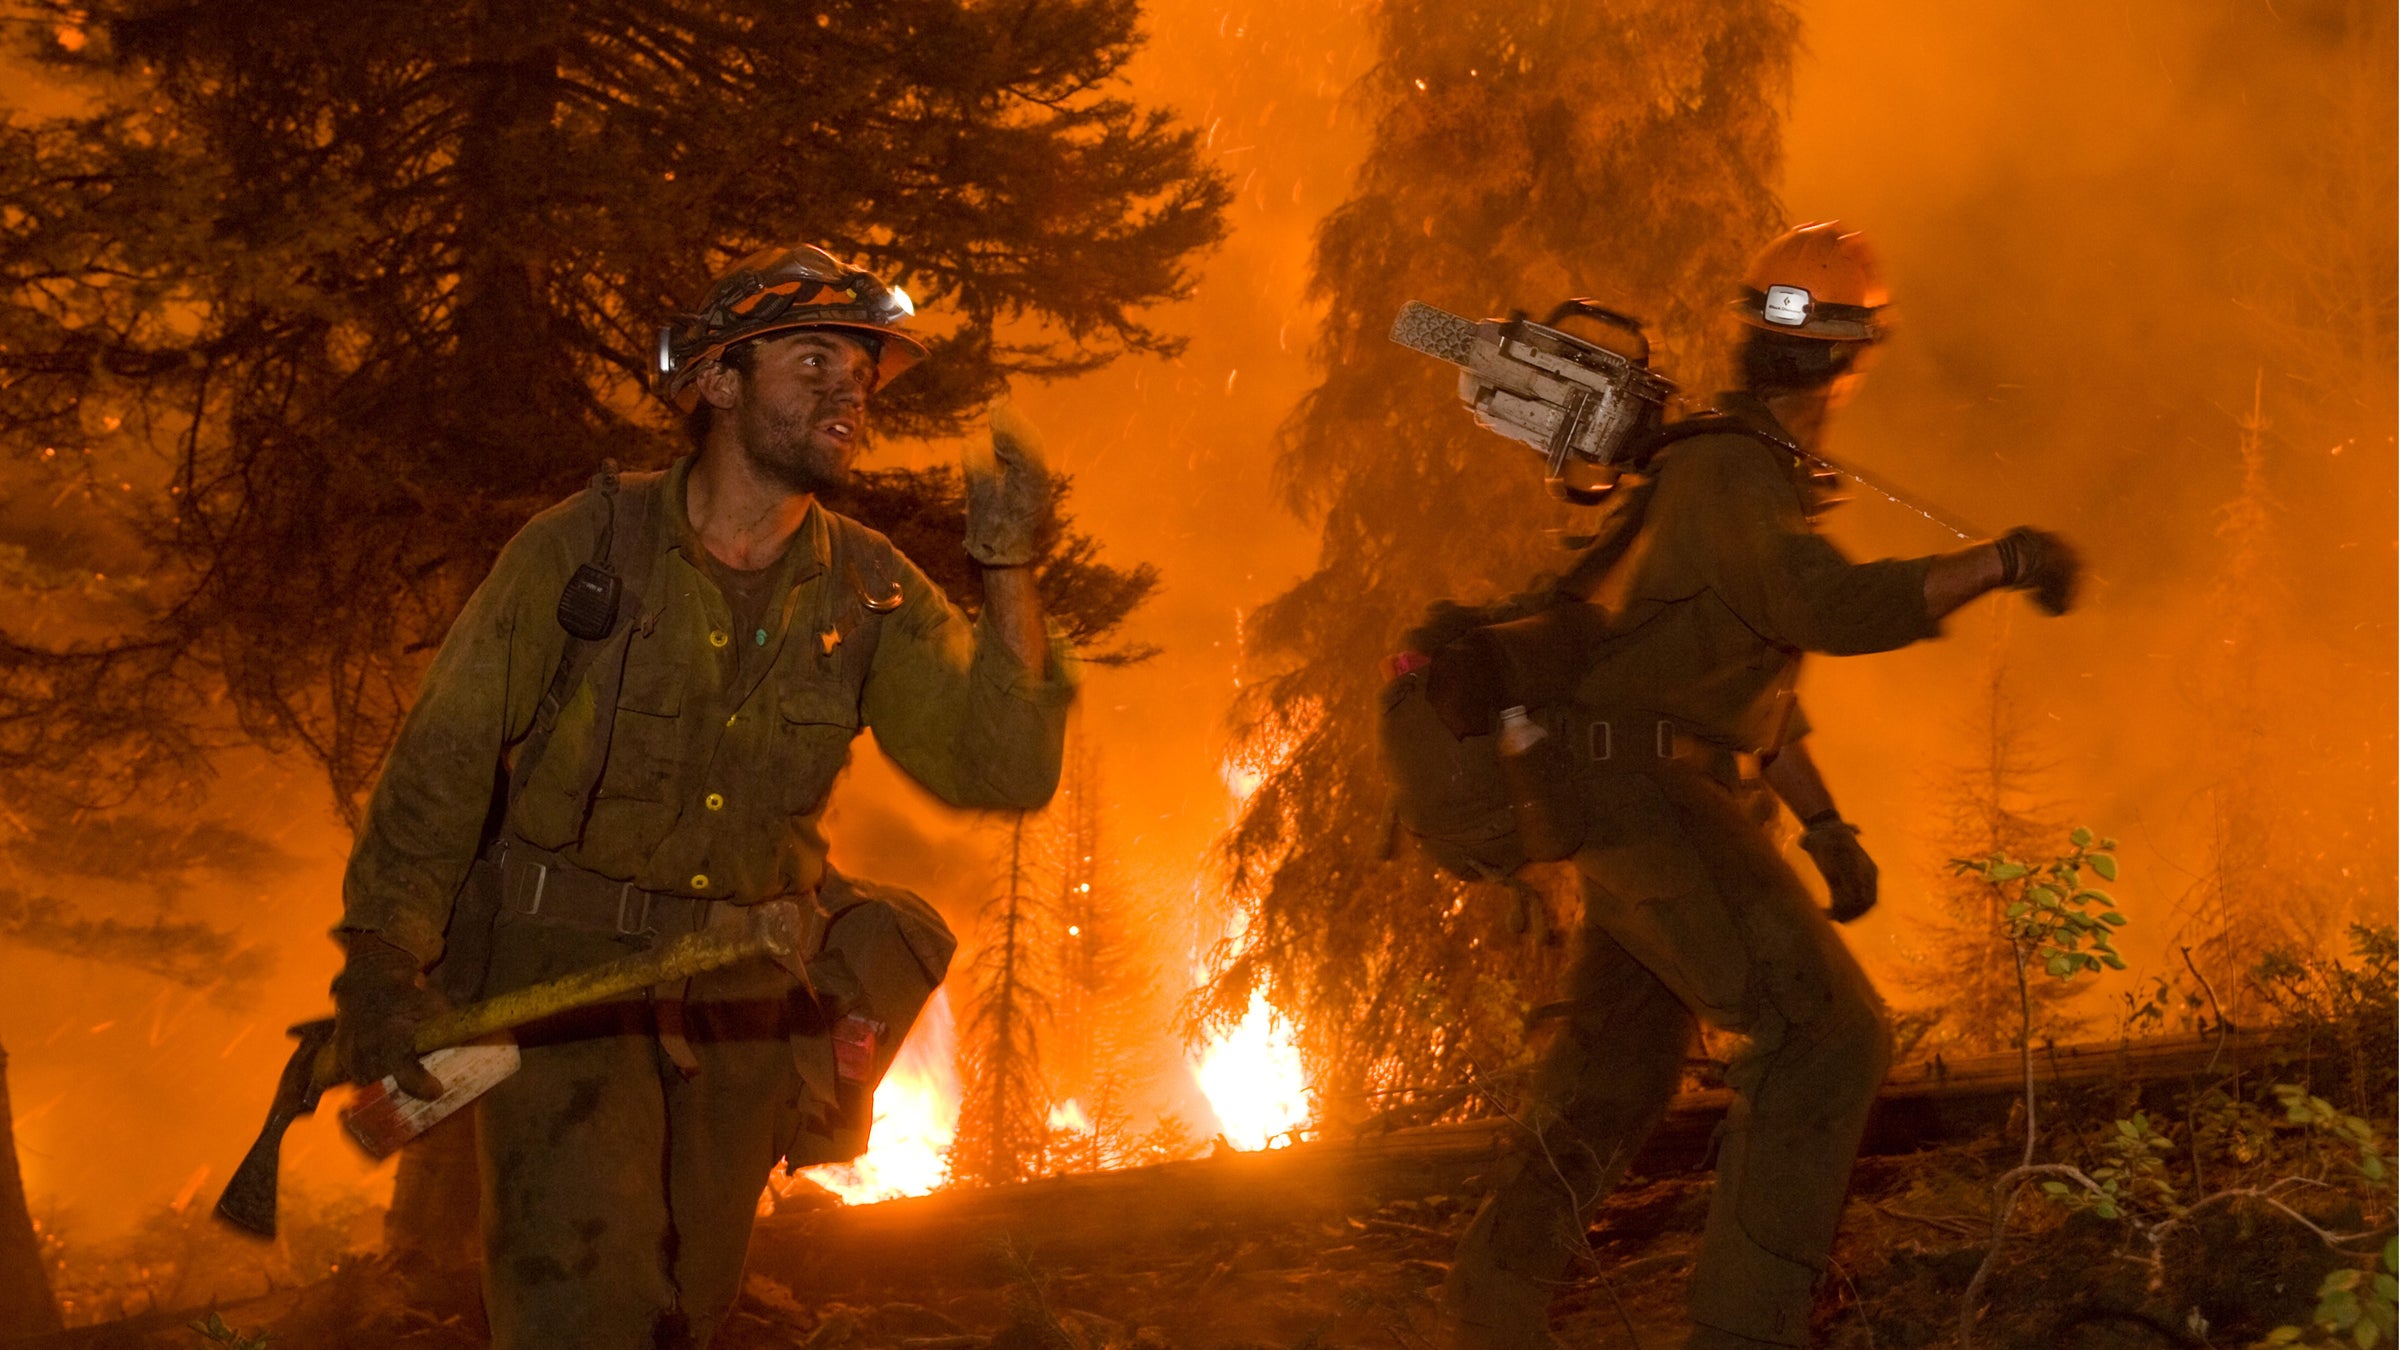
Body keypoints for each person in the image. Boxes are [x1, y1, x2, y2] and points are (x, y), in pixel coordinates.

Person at [326, 244, 1076, 1349]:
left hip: (740, 1008)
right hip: (563, 986)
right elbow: (442, 760)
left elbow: (1003, 767)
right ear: (719, 382)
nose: (849, 388)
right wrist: (385, 962)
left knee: (691, 1307)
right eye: (811, 356)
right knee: (580, 1305)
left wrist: (1007, 571)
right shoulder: (583, 551)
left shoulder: (865, 588)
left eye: (860, 370)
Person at [1437, 220, 2080, 1349]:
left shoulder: (1725, 468)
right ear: (1851, 358)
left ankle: (1491, 1306)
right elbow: (1814, 607)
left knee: (1614, 1072)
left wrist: (1826, 822)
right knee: (1827, 1040)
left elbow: (1736, 680)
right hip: (1647, 798)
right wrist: (2002, 562)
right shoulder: (1730, 468)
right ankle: (1748, 1333)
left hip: (1622, 794)